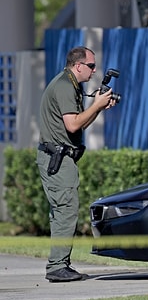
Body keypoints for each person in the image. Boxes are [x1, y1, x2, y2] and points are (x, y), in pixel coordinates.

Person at [37, 46, 117, 282]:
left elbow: (80, 125)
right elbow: (72, 125)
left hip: (62, 157)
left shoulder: (72, 84)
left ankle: (60, 264)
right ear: (78, 65)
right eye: (91, 66)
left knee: (64, 210)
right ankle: (57, 267)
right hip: (57, 159)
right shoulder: (64, 86)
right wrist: (96, 105)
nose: (94, 70)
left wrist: (98, 108)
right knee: (66, 210)